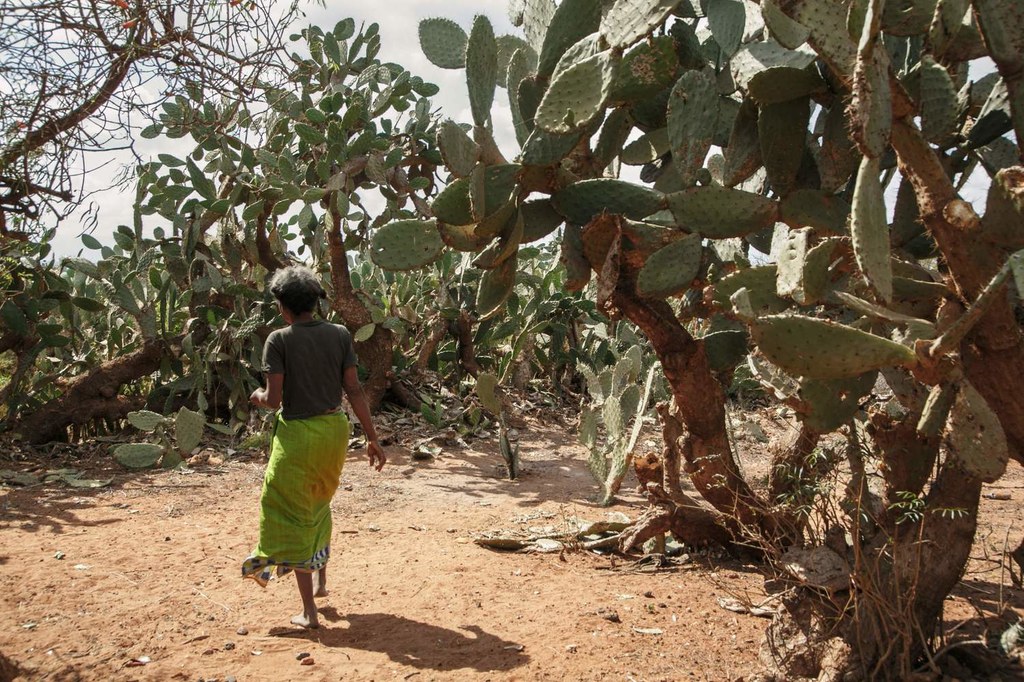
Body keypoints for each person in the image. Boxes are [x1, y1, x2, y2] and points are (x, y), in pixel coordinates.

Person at [242, 265, 386, 629]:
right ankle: (321, 582)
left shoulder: (279, 339)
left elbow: (274, 400)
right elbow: (353, 389)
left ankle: (309, 613)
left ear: (282, 306)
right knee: (320, 502)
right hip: (334, 432)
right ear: (313, 301)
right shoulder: (339, 334)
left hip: (298, 437)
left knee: (290, 512)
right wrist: (371, 437)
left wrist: (257, 396)